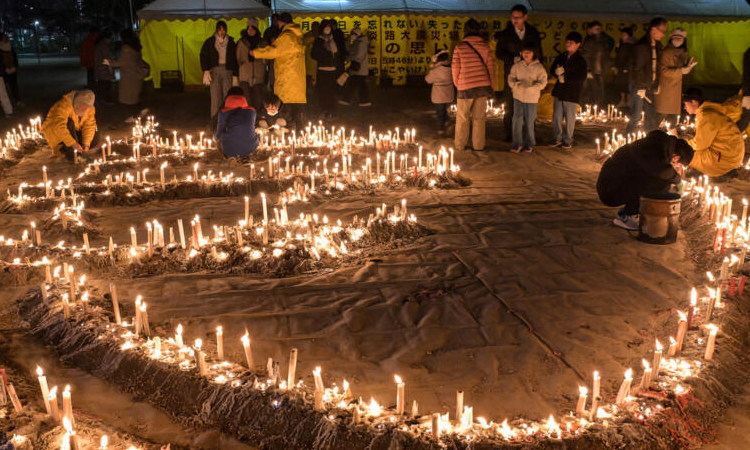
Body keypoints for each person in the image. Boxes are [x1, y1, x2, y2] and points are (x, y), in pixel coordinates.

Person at [597, 130, 694, 230]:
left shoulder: (658, 144)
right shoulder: (654, 149)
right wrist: (678, 180)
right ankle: (627, 216)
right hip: (609, 189)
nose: (675, 166)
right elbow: (660, 170)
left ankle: (629, 211)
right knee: (660, 184)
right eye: (678, 164)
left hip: (615, 183)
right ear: (676, 157)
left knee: (658, 181)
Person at [495, 4, 543, 142]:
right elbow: (499, 53)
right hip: (513, 72)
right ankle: (510, 134)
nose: (515, 20)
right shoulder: (506, 33)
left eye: (518, 17)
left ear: (525, 17)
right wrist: (513, 58)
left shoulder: (532, 32)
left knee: (530, 103)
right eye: (513, 17)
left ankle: (530, 133)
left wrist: (539, 66)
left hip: (530, 73)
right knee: (510, 104)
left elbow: (539, 51)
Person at [251, 12, 306, 129]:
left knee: (286, 107)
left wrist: (256, 52)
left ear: (281, 22)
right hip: (296, 77)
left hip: (287, 76)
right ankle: (300, 130)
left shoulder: (286, 36)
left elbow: (274, 51)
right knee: (297, 106)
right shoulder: (297, 36)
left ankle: (290, 129)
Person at [452, 18, 495, 152]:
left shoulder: (459, 47)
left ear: (465, 31)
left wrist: (458, 84)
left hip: (465, 86)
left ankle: (460, 145)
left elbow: (455, 69)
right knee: (479, 118)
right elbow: (491, 69)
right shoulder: (485, 47)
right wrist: (491, 86)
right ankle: (478, 146)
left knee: (462, 118)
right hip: (482, 86)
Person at [683, 88, 746, 177]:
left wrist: (685, 142)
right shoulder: (709, 111)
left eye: (685, 104)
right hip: (731, 154)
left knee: (686, 154)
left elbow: (700, 144)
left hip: (726, 158)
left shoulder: (706, 116)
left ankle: (706, 172)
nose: (685, 108)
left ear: (694, 102)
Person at [626, 17, 668, 134]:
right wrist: (640, 87)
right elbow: (637, 68)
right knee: (636, 115)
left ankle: (648, 141)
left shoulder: (658, 46)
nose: (663, 34)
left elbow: (656, 67)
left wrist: (656, 83)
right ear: (653, 29)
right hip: (640, 86)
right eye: (662, 31)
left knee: (650, 116)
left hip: (650, 86)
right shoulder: (642, 46)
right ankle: (628, 140)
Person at [549, 32, 587, 149]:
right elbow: (552, 68)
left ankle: (568, 139)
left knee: (570, 117)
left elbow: (581, 77)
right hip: (559, 91)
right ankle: (557, 138)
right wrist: (556, 73)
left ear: (578, 44)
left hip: (571, 92)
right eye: (567, 42)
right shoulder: (562, 56)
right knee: (557, 116)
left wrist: (566, 78)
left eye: (571, 42)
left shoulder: (580, 60)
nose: (568, 44)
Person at [508, 42, 547, 153]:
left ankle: (529, 143)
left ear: (534, 53)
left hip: (532, 98)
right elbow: (511, 78)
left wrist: (534, 87)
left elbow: (543, 81)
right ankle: (517, 143)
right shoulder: (517, 66)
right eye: (524, 52)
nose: (526, 54)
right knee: (517, 120)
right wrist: (515, 85)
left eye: (529, 52)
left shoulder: (539, 67)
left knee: (529, 121)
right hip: (518, 96)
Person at [655, 28, 697, 129]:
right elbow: (664, 70)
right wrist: (682, 70)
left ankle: (671, 137)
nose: (677, 40)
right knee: (661, 114)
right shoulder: (666, 52)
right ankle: (651, 135)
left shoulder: (683, 53)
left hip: (676, 88)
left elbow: (681, 68)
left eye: (680, 38)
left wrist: (688, 67)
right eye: (675, 38)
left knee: (672, 117)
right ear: (671, 38)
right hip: (666, 88)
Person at [41, 90, 97, 162]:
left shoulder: (89, 109)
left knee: (96, 138)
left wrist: (86, 144)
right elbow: (58, 126)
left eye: (87, 107)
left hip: (73, 132)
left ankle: (77, 150)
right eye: (84, 105)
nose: (85, 109)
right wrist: (72, 143)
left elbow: (90, 126)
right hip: (57, 134)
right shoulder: (63, 105)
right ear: (78, 102)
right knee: (69, 122)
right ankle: (66, 150)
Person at [200, 21, 239, 117]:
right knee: (215, 96)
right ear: (216, 30)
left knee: (228, 95)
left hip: (228, 69)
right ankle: (215, 119)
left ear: (226, 30)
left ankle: (228, 118)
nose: (221, 31)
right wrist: (205, 70)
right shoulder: (210, 42)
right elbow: (204, 55)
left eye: (223, 29)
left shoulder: (231, 42)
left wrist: (235, 74)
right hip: (215, 70)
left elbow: (235, 58)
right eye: (219, 29)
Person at [105, 30, 149, 108]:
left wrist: (110, 62)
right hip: (136, 74)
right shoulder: (136, 46)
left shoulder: (126, 48)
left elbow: (123, 62)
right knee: (134, 96)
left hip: (128, 76)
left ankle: (135, 113)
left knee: (127, 99)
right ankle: (137, 113)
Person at [215, 87, 259, 158]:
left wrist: (215, 138)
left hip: (228, 149)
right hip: (251, 147)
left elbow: (219, 132)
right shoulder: (252, 111)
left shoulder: (223, 112)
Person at [580, 21, 613, 108]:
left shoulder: (603, 41)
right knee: (587, 92)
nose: (598, 30)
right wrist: (587, 70)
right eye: (596, 29)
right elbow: (585, 56)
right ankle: (585, 110)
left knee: (599, 93)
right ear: (590, 30)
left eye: (599, 29)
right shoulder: (589, 41)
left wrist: (610, 64)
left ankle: (596, 111)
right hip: (590, 70)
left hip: (600, 70)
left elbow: (606, 54)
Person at [312, 19, 341, 118]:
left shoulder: (333, 40)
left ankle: (332, 111)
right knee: (323, 92)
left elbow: (337, 54)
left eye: (329, 26)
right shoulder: (319, 40)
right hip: (322, 70)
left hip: (332, 70)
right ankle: (324, 110)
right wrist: (323, 53)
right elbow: (314, 54)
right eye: (326, 26)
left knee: (332, 92)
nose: (328, 29)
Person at [236, 18, 267, 110]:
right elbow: (238, 57)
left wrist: (262, 61)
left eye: (252, 28)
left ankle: (257, 119)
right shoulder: (242, 42)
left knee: (258, 99)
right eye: (248, 28)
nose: (250, 30)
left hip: (258, 76)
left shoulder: (262, 43)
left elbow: (267, 58)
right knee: (246, 100)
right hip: (245, 76)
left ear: (256, 29)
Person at [425, 50, 454, 136]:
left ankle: (441, 130)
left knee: (440, 113)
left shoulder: (435, 70)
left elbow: (428, 80)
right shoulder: (451, 68)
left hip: (438, 95)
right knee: (444, 110)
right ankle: (448, 122)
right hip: (449, 93)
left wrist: (432, 69)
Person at [340, 27, 370, 106]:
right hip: (359, 68)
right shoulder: (358, 42)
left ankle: (347, 99)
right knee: (358, 85)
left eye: (352, 34)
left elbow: (357, 55)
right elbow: (352, 51)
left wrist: (348, 58)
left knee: (354, 84)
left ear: (357, 34)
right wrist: (347, 43)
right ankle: (364, 101)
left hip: (358, 67)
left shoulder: (361, 43)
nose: (351, 36)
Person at [613, 27, 636, 108]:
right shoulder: (621, 43)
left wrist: (626, 67)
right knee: (620, 85)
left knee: (627, 85)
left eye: (624, 35)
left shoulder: (632, 45)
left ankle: (629, 101)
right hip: (620, 67)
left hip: (627, 69)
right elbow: (618, 55)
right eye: (622, 34)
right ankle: (622, 100)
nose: (622, 36)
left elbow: (631, 57)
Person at [93, 32, 114, 105]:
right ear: (106, 38)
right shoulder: (104, 46)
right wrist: (110, 69)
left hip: (99, 69)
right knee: (106, 86)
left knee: (101, 85)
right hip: (104, 70)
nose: (110, 41)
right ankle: (105, 100)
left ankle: (100, 100)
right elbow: (107, 59)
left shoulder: (98, 45)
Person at [0, 34, 19, 105]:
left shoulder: (10, 47)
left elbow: (15, 58)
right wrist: (4, 69)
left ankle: (17, 100)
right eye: (4, 38)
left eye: (7, 37)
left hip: (12, 71)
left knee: (14, 87)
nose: (6, 39)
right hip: (4, 73)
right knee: (2, 89)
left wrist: (15, 67)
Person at [737, 44, 750, 132]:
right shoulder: (748, 54)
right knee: (744, 120)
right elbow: (747, 75)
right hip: (749, 93)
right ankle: (731, 138)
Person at [304, 21, 320, 87]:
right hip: (308, 65)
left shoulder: (321, 37)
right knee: (309, 84)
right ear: (311, 27)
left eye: (317, 27)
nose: (315, 29)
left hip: (318, 65)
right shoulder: (307, 36)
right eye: (314, 27)